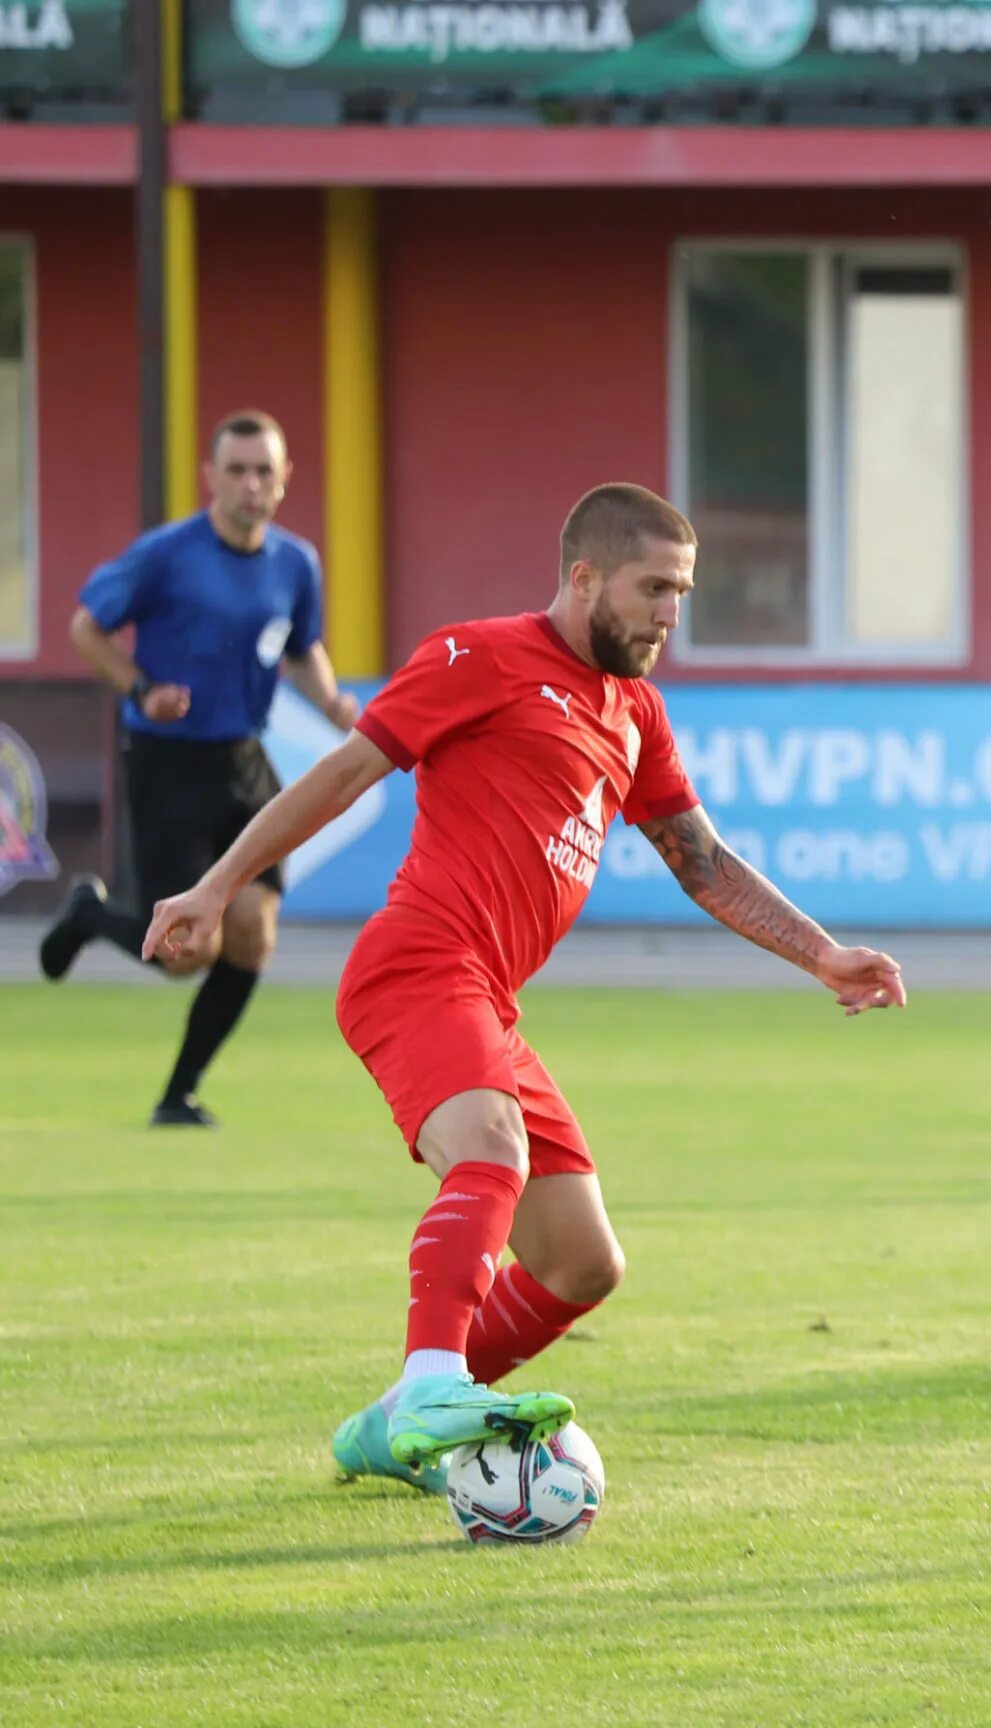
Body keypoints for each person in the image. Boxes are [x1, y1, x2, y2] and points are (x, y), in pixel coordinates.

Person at [143, 483, 908, 1492]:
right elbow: (342, 774)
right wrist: (216, 885)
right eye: (653, 588)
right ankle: (431, 1384)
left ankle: (391, 1429)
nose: (669, 614)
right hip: (418, 964)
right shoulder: (482, 656)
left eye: (682, 592)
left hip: (488, 1003)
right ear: (584, 577)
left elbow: (702, 860)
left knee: (584, 1263)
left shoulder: (635, 711)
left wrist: (821, 953)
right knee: (491, 1151)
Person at [39, 411, 360, 1126]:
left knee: (254, 932)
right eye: (237, 471)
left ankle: (178, 1094)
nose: (251, 484)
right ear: (210, 478)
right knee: (187, 950)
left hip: (244, 759)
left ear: (284, 481)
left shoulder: (295, 562)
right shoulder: (165, 555)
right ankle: (90, 915)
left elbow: (302, 648)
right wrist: (140, 690)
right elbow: (86, 627)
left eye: (264, 472)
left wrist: (333, 701)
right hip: (166, 763)